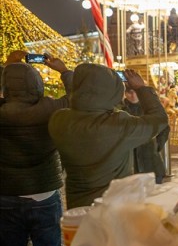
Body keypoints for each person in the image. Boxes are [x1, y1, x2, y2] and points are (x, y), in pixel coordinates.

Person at [0, 51, 73, 246]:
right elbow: (79, 96)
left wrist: (9, 66)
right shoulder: (50, 109)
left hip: (6, 196)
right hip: (44, 195)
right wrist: (63, 69)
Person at [49, 66, 169, 208]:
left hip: (78, 205)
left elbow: (79, 98)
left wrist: (66, 73)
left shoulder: (59, 120)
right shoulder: (118, 125)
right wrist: (141, 88)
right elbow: (159, 119)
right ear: (115, 91)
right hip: (113, 207)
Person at [122, 88, 169, 184]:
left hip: (151, 162)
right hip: (130, 165)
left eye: (136, 92)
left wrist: (157, 145)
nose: (133, 95)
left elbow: (164, 128)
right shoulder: (121, 110)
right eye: (130, 92)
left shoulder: (149, 108)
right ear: (125, 93)